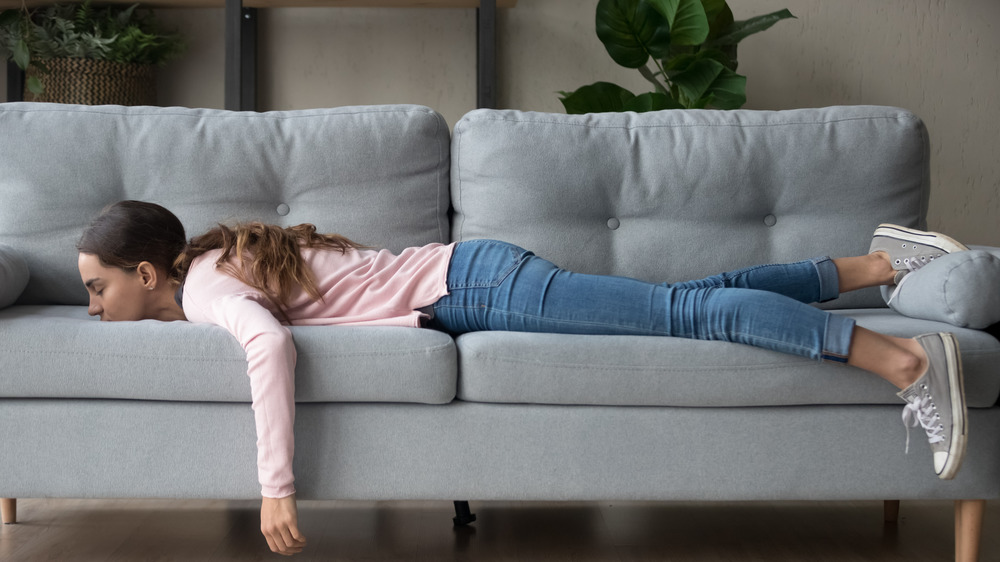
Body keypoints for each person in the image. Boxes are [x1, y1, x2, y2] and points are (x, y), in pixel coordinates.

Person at [76, 200, 969, 557]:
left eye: (97, 287)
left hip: (475, 285)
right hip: (473, 278)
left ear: (147, 274)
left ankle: (908, 362)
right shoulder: (205, 270)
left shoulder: (202, 290)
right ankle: (878, 266)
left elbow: (268, 348)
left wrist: (277, 489)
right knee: (676, 298)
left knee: (683, 317)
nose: (91, 306)